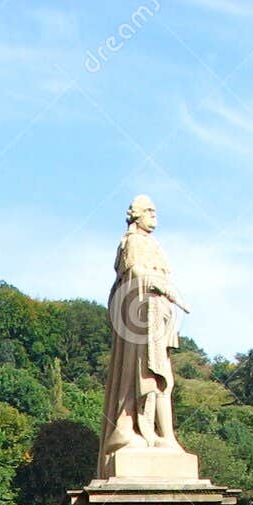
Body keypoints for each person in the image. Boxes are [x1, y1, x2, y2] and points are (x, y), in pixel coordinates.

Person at [101, 195, 189, 471]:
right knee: (150, 376)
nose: (155, 216)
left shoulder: (152, 244)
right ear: (136, 215)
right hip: (142, 323)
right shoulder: (133, 242)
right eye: (149, 211)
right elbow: (135, 273)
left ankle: (166, 436)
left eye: (155, 211)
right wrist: (163, 288)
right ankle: (149, 434)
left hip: (158, 318)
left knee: (163, 380)